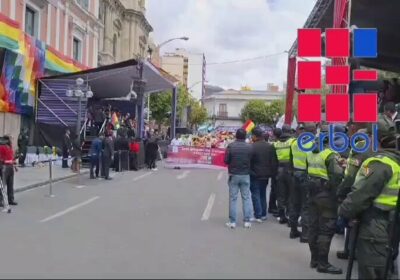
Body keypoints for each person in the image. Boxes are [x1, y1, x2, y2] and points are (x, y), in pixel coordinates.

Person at [338, 118, 399, 279]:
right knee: (385, 265)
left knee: (371, 270)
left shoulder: (380, 164)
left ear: (375, 137)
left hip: (376, 224)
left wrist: (344, 211)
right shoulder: (395, 161)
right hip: (392, 223)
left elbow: (360, 195)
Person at [306, 125, 343, 274]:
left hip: (312, 194)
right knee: (326, 230)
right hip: (326, 196)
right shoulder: (330, 154)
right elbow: (337, 177)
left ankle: (314, 259)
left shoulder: (311, 152)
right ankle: (323, 264)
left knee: (313, 227)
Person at [336, 124, 375, 259]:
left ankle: (350, 251)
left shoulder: (360, 147)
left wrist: (341, 193)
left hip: (358, 189)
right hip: (379, 192)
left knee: (353, 223)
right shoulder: (381, 148)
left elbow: (352, 174)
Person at [224, 128, 253, 229]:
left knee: (233, 198)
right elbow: (253, 160)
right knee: (246, 197)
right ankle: (247, 221)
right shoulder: (250, 147)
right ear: (245, 136)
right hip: (245, 174)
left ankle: (232, 222)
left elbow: (226, 160)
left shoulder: (231, 146)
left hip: (234, 175)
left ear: (236, 136)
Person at [288, 123, 312, 241]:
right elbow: (311, 162)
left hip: (295, 175)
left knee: (295, 204)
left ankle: (293, 230)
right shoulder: (311, 144)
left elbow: (291, 160)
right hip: (305, 176)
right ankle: (305, 234)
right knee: (306, 206)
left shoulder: (294, 143)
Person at [250, 127, 278, 222]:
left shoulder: (252, 147)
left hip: (255, 174)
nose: (251, 137)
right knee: (262, 194)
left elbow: (249, 161)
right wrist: (272, 174)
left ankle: (258, 215)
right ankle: (263, 214)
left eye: (252, 135)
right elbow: (274, 162)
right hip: (266, 175)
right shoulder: (270, 146)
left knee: (255, 194)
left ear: (255, 136)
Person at [273, 125, 296, 224]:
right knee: (291, 194)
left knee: (281, 195)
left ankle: (281, 216)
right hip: (290, 170)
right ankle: (290, 216)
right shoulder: (293, 142)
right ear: (290, 131)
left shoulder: (276, 144)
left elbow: (273, 159)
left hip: (279, 169)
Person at [0, 135, 18, 206]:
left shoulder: (9, 147)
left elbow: (11, 157)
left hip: (10, 167)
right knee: (2, 185)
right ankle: (1, 200)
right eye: (11, 139)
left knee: (10, 184)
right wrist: (3, 162)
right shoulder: (1, 147)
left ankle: (10, 199)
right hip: (4, 167)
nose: (12, 141)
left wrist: (15, 166)